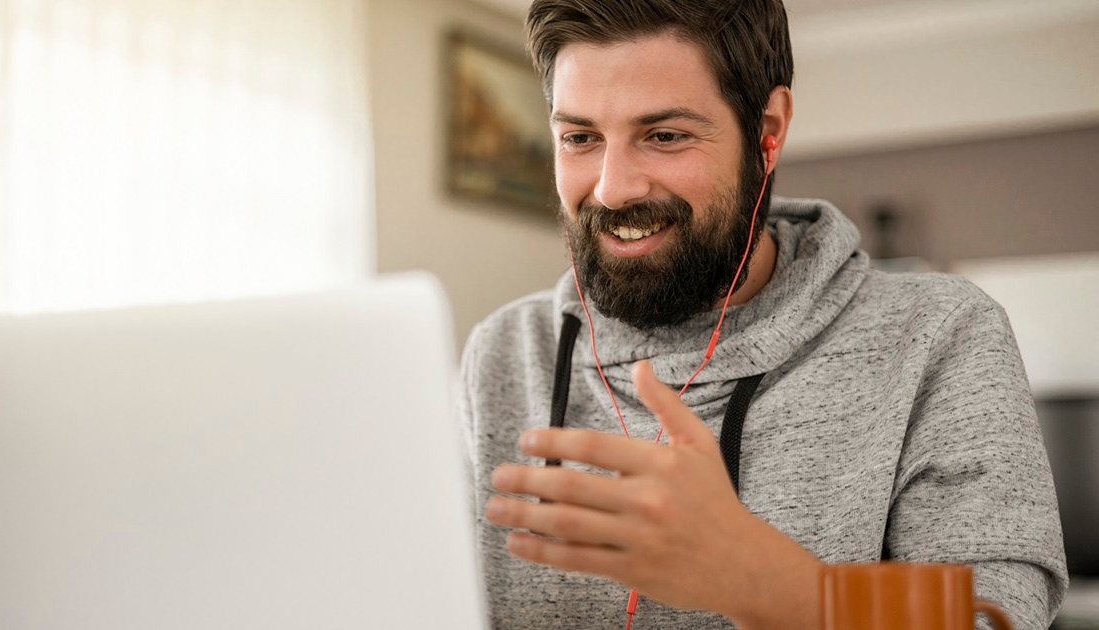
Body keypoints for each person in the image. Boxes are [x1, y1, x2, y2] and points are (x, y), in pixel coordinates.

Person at [457, 1, 1068, 629]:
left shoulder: (937, 335)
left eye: (664, 136)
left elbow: (992, 621)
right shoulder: (504, 349)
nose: (613, 188)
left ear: (768, 129)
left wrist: (769, 585)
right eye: (580, 138)